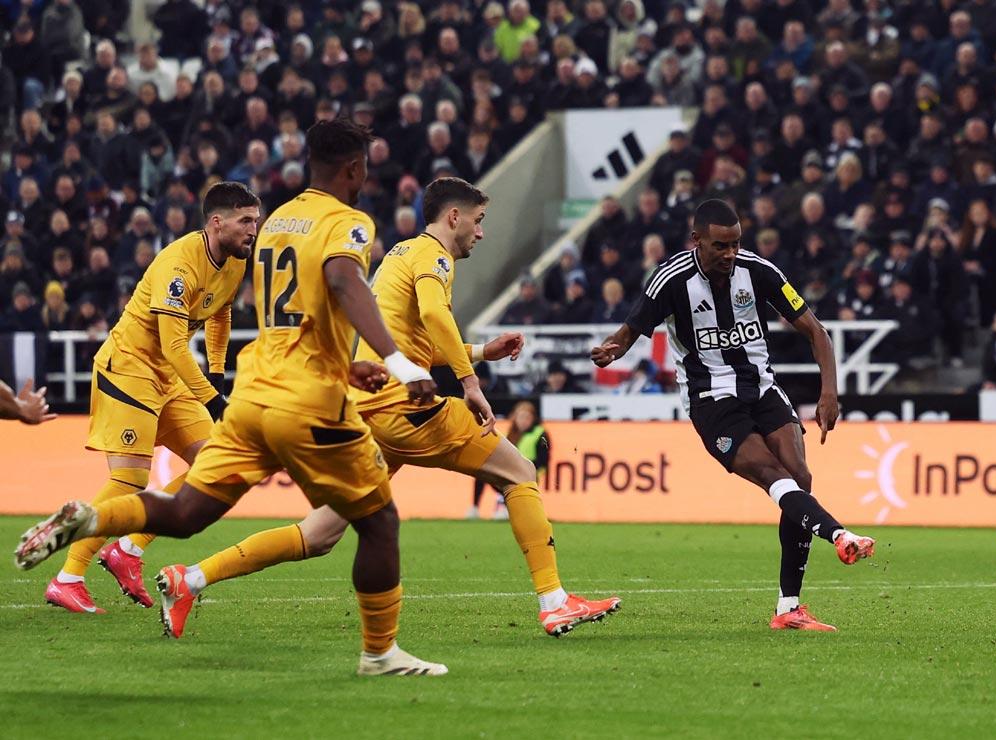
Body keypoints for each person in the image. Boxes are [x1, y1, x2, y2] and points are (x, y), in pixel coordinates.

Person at [16, 120, 445, 678]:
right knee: (379, 521)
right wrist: (396, 358)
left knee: (188, 510)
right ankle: (380, 654)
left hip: (253, 395)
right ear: (355, 168)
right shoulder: (347, 221)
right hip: (300, 401)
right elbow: (342, 281)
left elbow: (287, 318)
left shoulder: (275, 226)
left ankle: (93, 520)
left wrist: (341, 362)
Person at [136, 177, 619, 641]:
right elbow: (433, 314)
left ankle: (191, 578)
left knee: (321, 532)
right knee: (518, 472)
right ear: (454, 217)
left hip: (366, 410)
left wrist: (479, 352)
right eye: (478, 219)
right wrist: (470, 383)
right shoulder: (434, 256)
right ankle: (554, 600)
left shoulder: (399, 255)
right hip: (404, 408)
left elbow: (408, 342)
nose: (481, 230)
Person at [590, 199, 875, 632]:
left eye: (736, 244)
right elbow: (631, 330)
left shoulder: (758, 270)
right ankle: (840, 535)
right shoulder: (670, 279)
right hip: (711, 400)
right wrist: (614, 348)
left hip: (762, 388)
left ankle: (789, 609)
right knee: (770, 474)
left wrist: (829, 392)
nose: (730, 254)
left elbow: (816, 331)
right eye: (721, 245)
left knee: (800, 478)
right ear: (697, 241)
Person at [36, 182, 257, 615]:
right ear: (217, 222)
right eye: (246, 220)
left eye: (256, 219)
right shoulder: (179, 263)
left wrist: (216, 371)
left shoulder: (233, 261)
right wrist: (214, 400)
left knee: (220, 464)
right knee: (130, 479)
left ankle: (128, 550)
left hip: (169, 378)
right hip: (130, 368)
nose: (255, 228)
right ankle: (68, 576)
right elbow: (174, 346)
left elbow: (221, 312)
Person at [469, 400, 549, 520]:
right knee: (482, 472)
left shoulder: (540, 434)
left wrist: (527, 469)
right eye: (521, 417)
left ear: (533, 418)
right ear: (515, 417)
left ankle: (506, 507)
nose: (523, 421)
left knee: (506, 480)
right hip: (510, 470)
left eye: (527, 417)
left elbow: (544, 460)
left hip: (529, 473)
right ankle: (475, 508)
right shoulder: (509, 434)